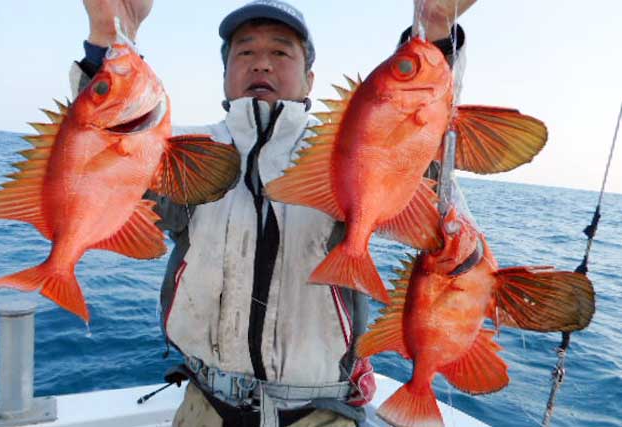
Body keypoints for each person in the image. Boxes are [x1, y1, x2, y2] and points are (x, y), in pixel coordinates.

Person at [73, 1, 477, 426]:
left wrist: (434, 32)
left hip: (320, 413)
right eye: (245, 52)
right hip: (204, 404)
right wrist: (109, 38)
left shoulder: (344, 148)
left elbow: (417, 144)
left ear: (309, 80)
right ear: (225, 74)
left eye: (281, 52)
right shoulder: (184, 153)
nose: (261, 63)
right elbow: (106, 160)